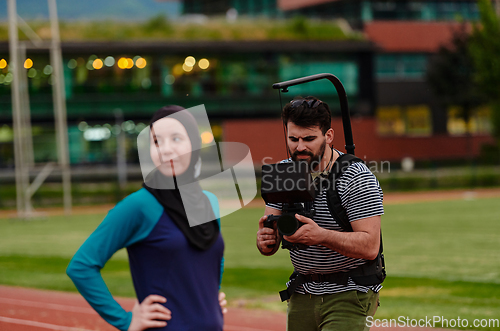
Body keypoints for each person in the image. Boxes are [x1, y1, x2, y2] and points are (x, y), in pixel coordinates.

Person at [67, 105, 227, 331]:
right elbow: (81, 266)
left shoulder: (209, 201)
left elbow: (212, 256)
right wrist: (126, 320)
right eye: (157, 141)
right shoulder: (139, 205)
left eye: (176, 139)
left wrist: (212, 294)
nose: (166, 149)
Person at [256, 96, 384, 331]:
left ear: (329, 136)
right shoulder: (283, 172)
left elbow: (370, 246)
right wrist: (266, 241)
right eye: (293, 139)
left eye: (309, 139)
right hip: (302, 291)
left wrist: (321, 236)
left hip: (349, 291)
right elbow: (271, 237)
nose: (300, 146)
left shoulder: (355, 177)